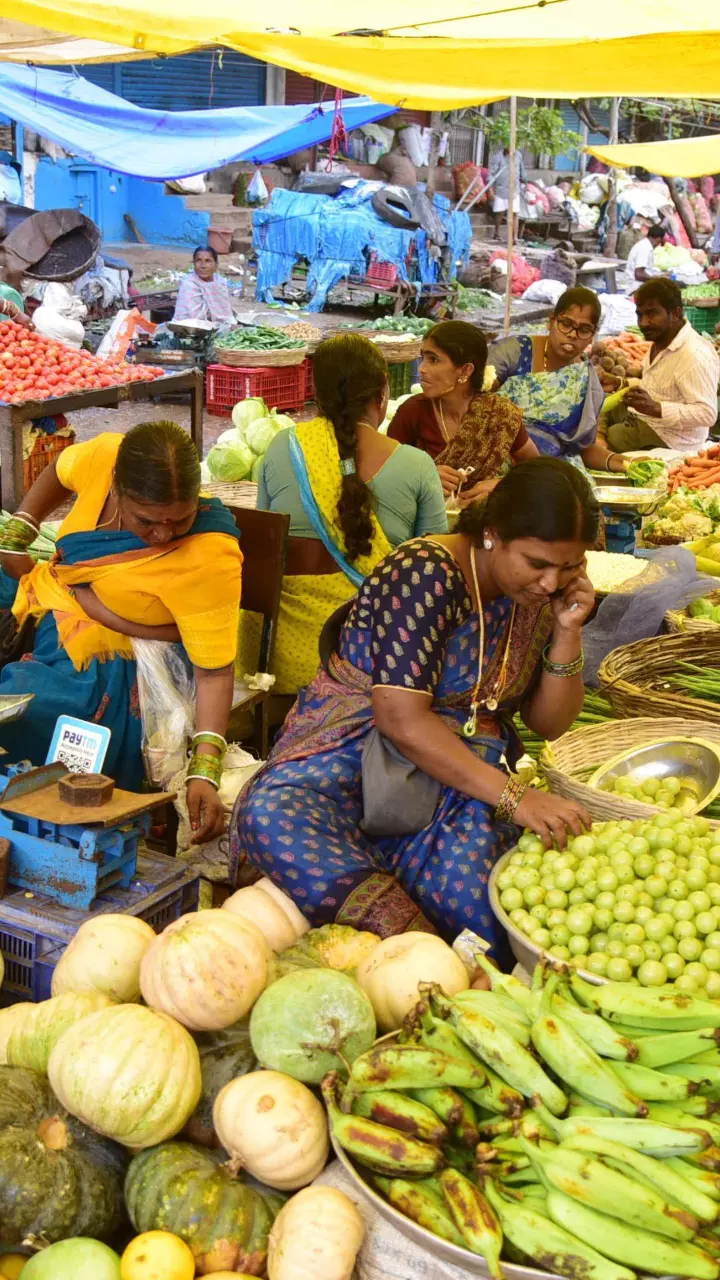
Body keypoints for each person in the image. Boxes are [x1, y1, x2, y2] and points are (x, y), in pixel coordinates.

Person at [230, 458, 596, 950]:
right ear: (492, 534)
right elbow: (400, 719)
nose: (551, 582)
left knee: (483, 905)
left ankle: (423, 924)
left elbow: (548, 724)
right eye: (537, 563)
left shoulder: (538, 599)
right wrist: (516, 798)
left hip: (460, 768)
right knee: (273, 815)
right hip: (354, 753)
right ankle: (412, 942)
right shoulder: (425, 572)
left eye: (569, 566)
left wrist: (568, 633)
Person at [0, 422, 243, 842]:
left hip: (123, 659)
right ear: (116, 487)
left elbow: (214, 671)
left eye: (180, 519)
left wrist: (205, 770)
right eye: (146, 520)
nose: (163, 535)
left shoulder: (210, 558)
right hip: (58, 606)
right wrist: (20, 530)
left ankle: (37, 826)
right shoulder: (104, 458)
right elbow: (59, 469)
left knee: (35, 709)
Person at [251, 333, 447, 695]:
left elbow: (266, 543)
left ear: (317, 392)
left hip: (281, 662)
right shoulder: (417, 465)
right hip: (372, 666)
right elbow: (435, 573)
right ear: (383, 391)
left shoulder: (282, 447)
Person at [388, 321, 538, 505]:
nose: (421, 368)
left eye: (433, 360)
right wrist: (422, 476)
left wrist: (501, 485)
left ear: (466, 370)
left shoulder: (499, 414)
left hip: (483, 517)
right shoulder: (413, 411)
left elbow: (537, 470)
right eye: (423, 358)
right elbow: (384, 470)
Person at [490, 287, 623, 472]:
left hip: (553, 471)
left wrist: (624, 462)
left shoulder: (586, 379)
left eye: (584, 330)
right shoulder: (514, 352)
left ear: (592, 336)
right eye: (566, 324)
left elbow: (583, 449)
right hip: (496, 462)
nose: (573, 334)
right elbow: (474, 396)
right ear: (551, 321)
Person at [603, 279, 720, 454]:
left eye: (652, 314)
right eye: (640, 315)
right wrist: (620, 382)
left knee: (612, 437)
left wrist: (656, 408)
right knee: (596, 409)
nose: (643, 323)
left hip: (670, 438)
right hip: (646, 417)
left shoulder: (694, 354)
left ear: (675, 314)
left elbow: (707, 414)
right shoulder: (660, 339)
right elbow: (658, 384)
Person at [172, 246, 234, 325]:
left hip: (218, 327)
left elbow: (226, 314)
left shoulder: (220, 283)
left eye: (208, 261)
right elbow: (192, 320)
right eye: (198, 261)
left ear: (216, 265)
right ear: (194, 264)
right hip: (188, 328)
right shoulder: (188, 285)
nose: (203, 266)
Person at [489, 147, 526, 241]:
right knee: (499, 212)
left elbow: (522, 170)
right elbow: (491, 173)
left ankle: (515, 237)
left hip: (514, 189)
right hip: (501, 189)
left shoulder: (518, 155)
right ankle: (496, 233)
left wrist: (524, 181)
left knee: (515, 213)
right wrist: (490, 188)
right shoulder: (498, 157)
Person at [618, 225, 665, 295]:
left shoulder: (645, 245)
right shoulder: (644, 248)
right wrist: (656, 279)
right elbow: (639, 274)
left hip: (638, 285)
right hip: (635, 287)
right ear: (658, 239)